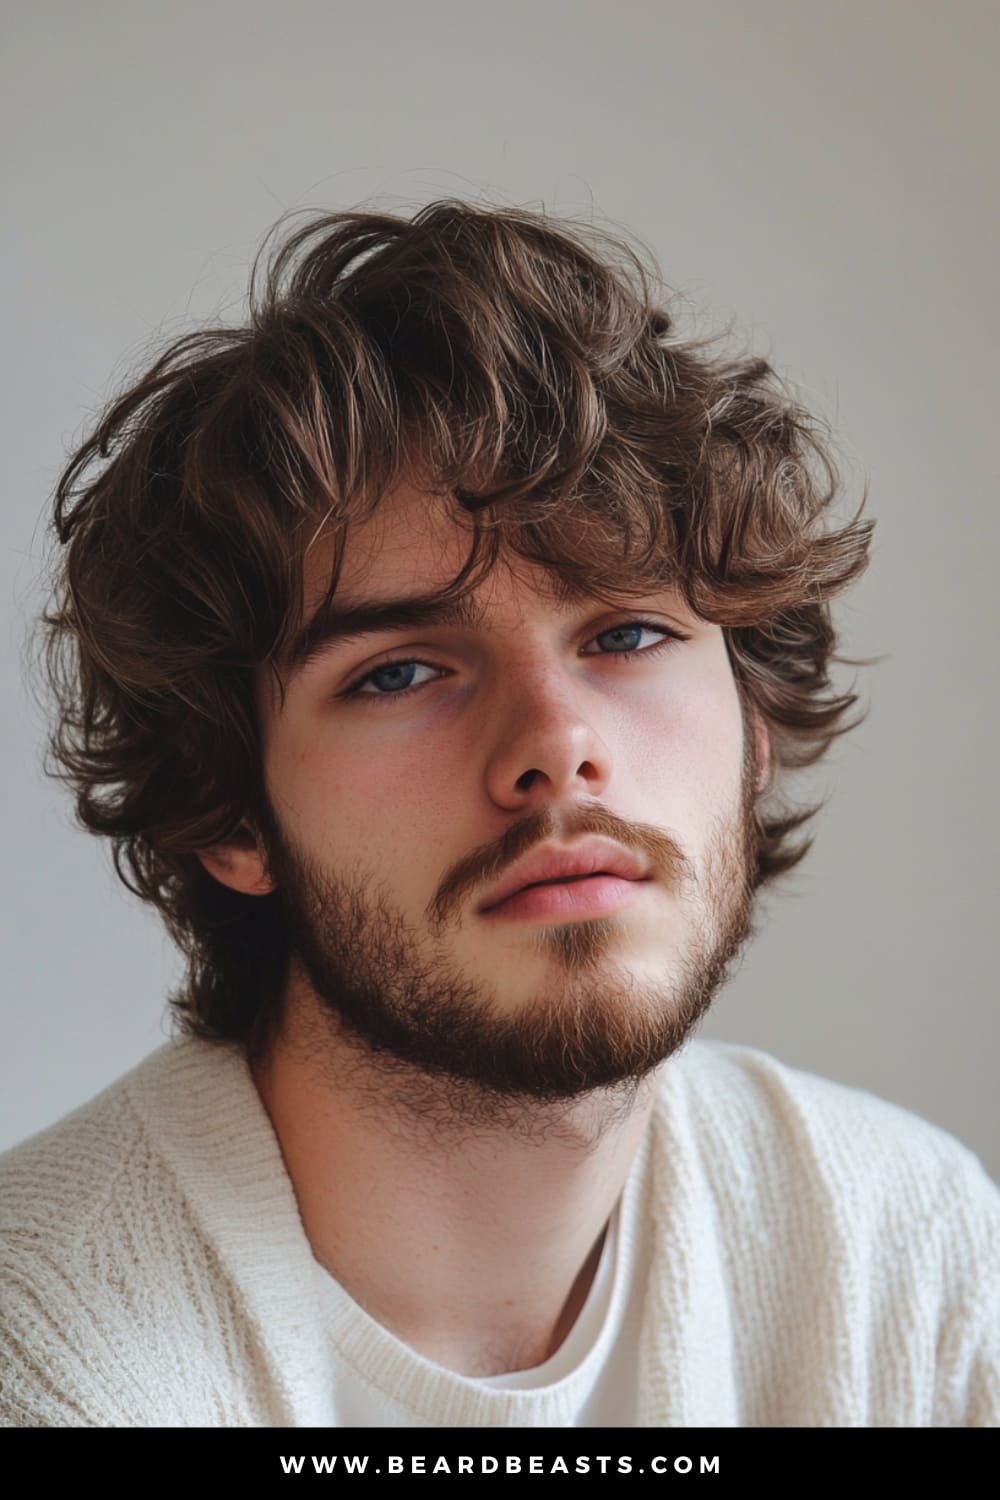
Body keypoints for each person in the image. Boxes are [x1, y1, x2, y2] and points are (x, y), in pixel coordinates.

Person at [1, 200, 996, 1429]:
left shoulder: (907, 1244)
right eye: (400, 673)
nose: (556, 748)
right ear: (230, 813)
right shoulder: (46, 1349)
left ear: (752, 732)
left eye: (627, 634)